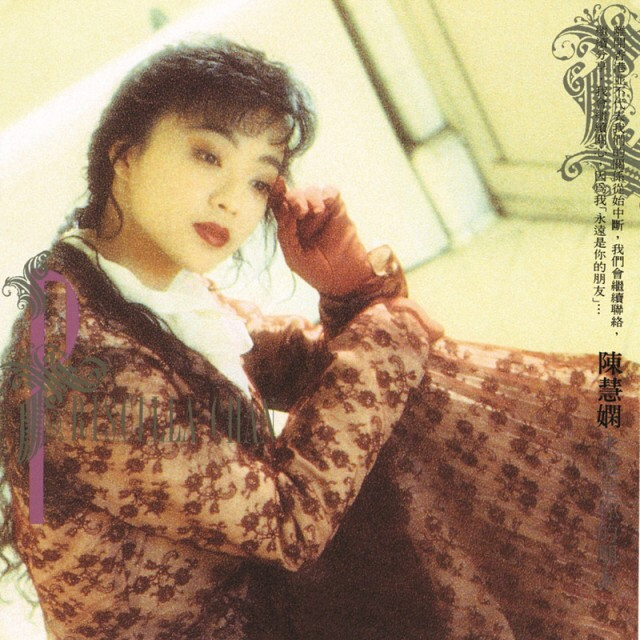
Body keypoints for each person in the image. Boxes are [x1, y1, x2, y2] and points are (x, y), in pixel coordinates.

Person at [0, 37, 637, 640]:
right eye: (207, 156)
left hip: (267, 600)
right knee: (409, 414)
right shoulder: (80, 367)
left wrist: (351, 290)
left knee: (418, 401)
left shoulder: (129, 283)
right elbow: (290, 524)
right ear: (125, 155)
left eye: (259, 180)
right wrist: (385, 324)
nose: (232, 201)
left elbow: (316, 369)